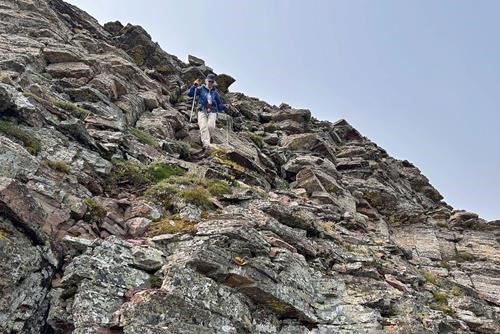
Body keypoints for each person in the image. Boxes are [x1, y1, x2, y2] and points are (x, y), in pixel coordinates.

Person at [186, 73, 226, 151]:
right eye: (209, 81)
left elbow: (219, 104)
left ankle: (206, 140)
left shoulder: (215, 93)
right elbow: (190, 94)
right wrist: (194, 86)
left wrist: (225, 106)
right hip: (202, 109)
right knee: (203, 126)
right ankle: (206, 144)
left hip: (212, 111)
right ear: (206, 81)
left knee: (211, 126)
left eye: (212, 82)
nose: (210, 83)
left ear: (213, 83)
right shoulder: (200, 88)